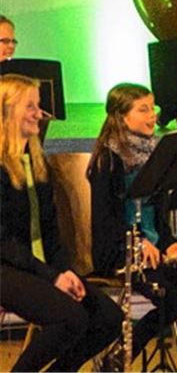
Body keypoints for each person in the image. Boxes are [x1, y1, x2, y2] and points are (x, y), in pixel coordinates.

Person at [87, 82, 177, 367]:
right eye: (143, 109)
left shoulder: (157, 152)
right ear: (122, 117)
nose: (153, 115)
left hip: (153, 249)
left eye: (153, 108)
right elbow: (105, 223)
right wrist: (136, 241)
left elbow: (157, 217)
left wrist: (170, 243)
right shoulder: (107, 160)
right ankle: (118, 357)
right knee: (172, 302)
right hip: (120, 250)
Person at [0, 73, 121, 372]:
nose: (39, 114)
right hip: (6, 265)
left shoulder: (35, 162)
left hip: (34, 266)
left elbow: (52, 231)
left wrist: (65, 270)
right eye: (30, 106)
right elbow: (3, 242)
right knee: (70, 318)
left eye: (38, 106)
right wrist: (51, 277)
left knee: (108, 318)